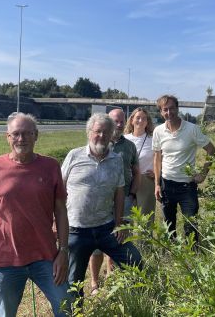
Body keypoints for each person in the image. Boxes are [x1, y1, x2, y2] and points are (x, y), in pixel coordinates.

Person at [0, 112, 70, 317]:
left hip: (46, 257)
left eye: (27, 133)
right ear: (7, 137)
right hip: (6, 260)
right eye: (15, 134)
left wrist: (64, 250)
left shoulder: (50, 166)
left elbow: (61, 210)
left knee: (66, 305)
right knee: (5, 314)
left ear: (36, 136)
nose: (21, 139)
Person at [62, 113, 142, 298]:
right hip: (76, 230)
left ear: (112, 134)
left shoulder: (116, 160)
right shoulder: (74, 156)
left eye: (107, 132)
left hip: (106, 227)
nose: (102, 136)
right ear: (89, 132)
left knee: (135, 260)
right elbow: (59, 190)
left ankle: (133, 300)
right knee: (74, 281)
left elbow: (119, 192)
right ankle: (77, 311)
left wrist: (119, 222)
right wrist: (55, 222)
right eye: (98, 132)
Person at [88, 108, 140, 294]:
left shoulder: (129, 146)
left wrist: (132, 195)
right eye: (114, 121)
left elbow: (136, 172)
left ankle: (112, 276)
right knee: (96, 245)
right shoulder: (97, 144)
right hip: (101, 203)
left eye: (121, 121)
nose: (118, 124)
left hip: (123, 199)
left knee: (119, 239)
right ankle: (94, 282)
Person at [152, 95, 215, 241]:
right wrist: (157, 184)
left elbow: (211, 150)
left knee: (190, 225)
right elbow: (157, 158)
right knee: (168, 225)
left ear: (177, 108)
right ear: (161, 112)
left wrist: (203, 174)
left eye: (172, 108)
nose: (169, 113)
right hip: (166, 184)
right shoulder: (158, 131)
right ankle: (172, 254)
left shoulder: (192, 129)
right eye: (165, 110)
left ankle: (193, 256)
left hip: (187, 186)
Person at [124, 107, 156, 224]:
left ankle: (145, 243)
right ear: (132, 120)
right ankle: (126, 242)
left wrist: (158, 173)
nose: (140, 121)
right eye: (138, 118)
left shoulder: (153, 140)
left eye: (144, 118)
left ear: (147, 122)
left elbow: (162, 159)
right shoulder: (124, 139)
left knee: (146, 219)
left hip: (146, 181)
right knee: (126, 218)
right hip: (127, 181)